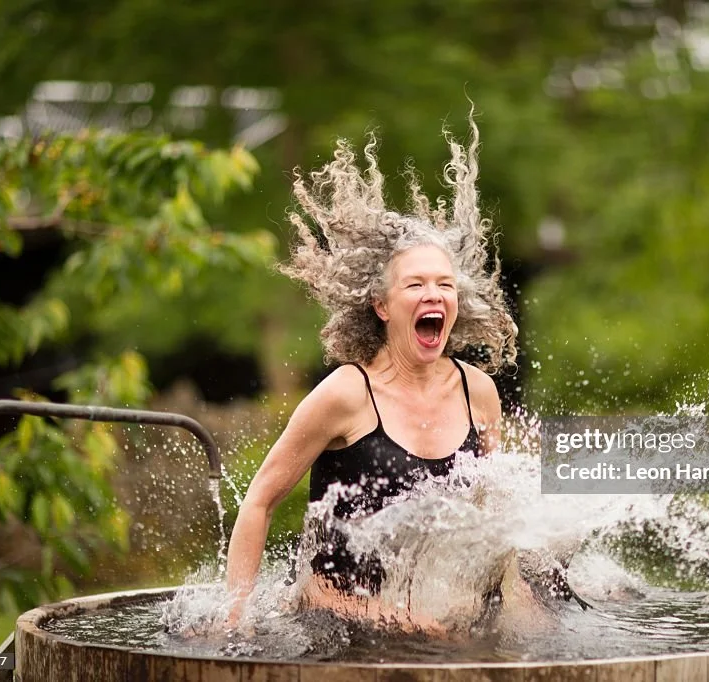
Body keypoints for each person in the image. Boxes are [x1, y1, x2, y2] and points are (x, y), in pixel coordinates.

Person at [224, 111, 522, 631]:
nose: (434, 294)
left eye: (444, 285)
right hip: (334, 615)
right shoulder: (346, 393)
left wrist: (521, 611)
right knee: (423, 633)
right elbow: (259, 501)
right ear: (382, 306)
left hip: (430, 616)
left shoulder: (478, 392)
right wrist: (234, 619)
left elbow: (496, 521)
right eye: (416, 285)